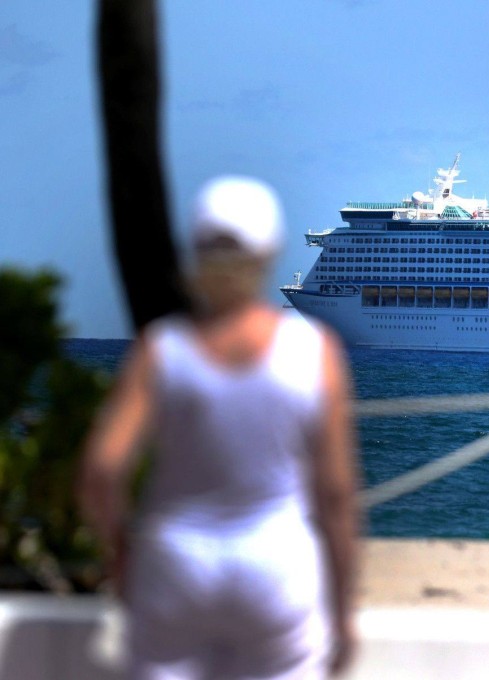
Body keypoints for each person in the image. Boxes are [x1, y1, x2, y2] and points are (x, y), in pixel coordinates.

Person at [79, 176, 360, 679]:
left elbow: (102, 469)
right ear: (270, 250)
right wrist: (343, 612)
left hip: (176, 564)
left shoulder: (162, 348)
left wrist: (121, 553)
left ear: (195, 251)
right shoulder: (314, 350)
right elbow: (336, 494)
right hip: (276, 567)